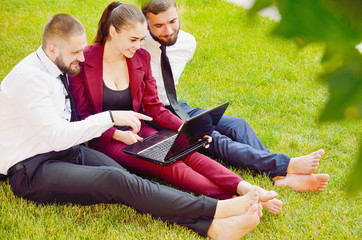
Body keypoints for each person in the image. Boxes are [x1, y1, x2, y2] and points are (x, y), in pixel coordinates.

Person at [0, 13, 264, 239]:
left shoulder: (57, 67)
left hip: (67, 151)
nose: (82, 57)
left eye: (82, 49)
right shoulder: (30, 79)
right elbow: (56, 136)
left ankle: (212, 229)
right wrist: (111, 118)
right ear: (53, 49)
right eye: (75, 52)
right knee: (115, 180)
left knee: (130, 184)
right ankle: (216, 210)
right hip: (31, 168)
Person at [69, 2, 282, 215]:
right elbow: (84, 116)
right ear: (113, 32)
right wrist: (116, 134)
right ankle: (233, 199)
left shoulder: (140, 58)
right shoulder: (84, 61)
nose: (138, 46)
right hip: (108, 140)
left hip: (142, 131)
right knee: (170, 166)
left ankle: (247, 188)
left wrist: (186, 130)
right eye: (133, 40)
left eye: (142, 39)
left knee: (188, 153)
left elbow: (154, 107)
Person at [141, 0, 330, 192]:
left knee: (238, 125)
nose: (168, 30)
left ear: (178, 10)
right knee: (214, 138)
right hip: (153, 113)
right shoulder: (138, 45)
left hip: (178, 105)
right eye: (158, 25)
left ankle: (278, 174)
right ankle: (285, 166)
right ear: (146, 23)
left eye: (172, 21)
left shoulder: (187, 43)